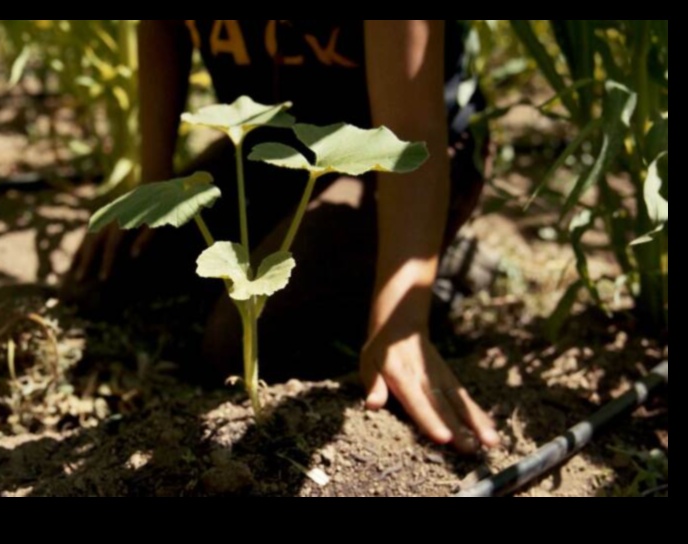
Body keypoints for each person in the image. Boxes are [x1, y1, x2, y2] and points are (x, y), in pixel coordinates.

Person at [64, 20, 500, 453]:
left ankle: (434, 268)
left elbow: (410, 130)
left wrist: (401, 321)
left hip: (399, 156)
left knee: (236, 345)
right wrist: (154, 181)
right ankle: (327, 247)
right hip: (274, 144)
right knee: (107, 279)